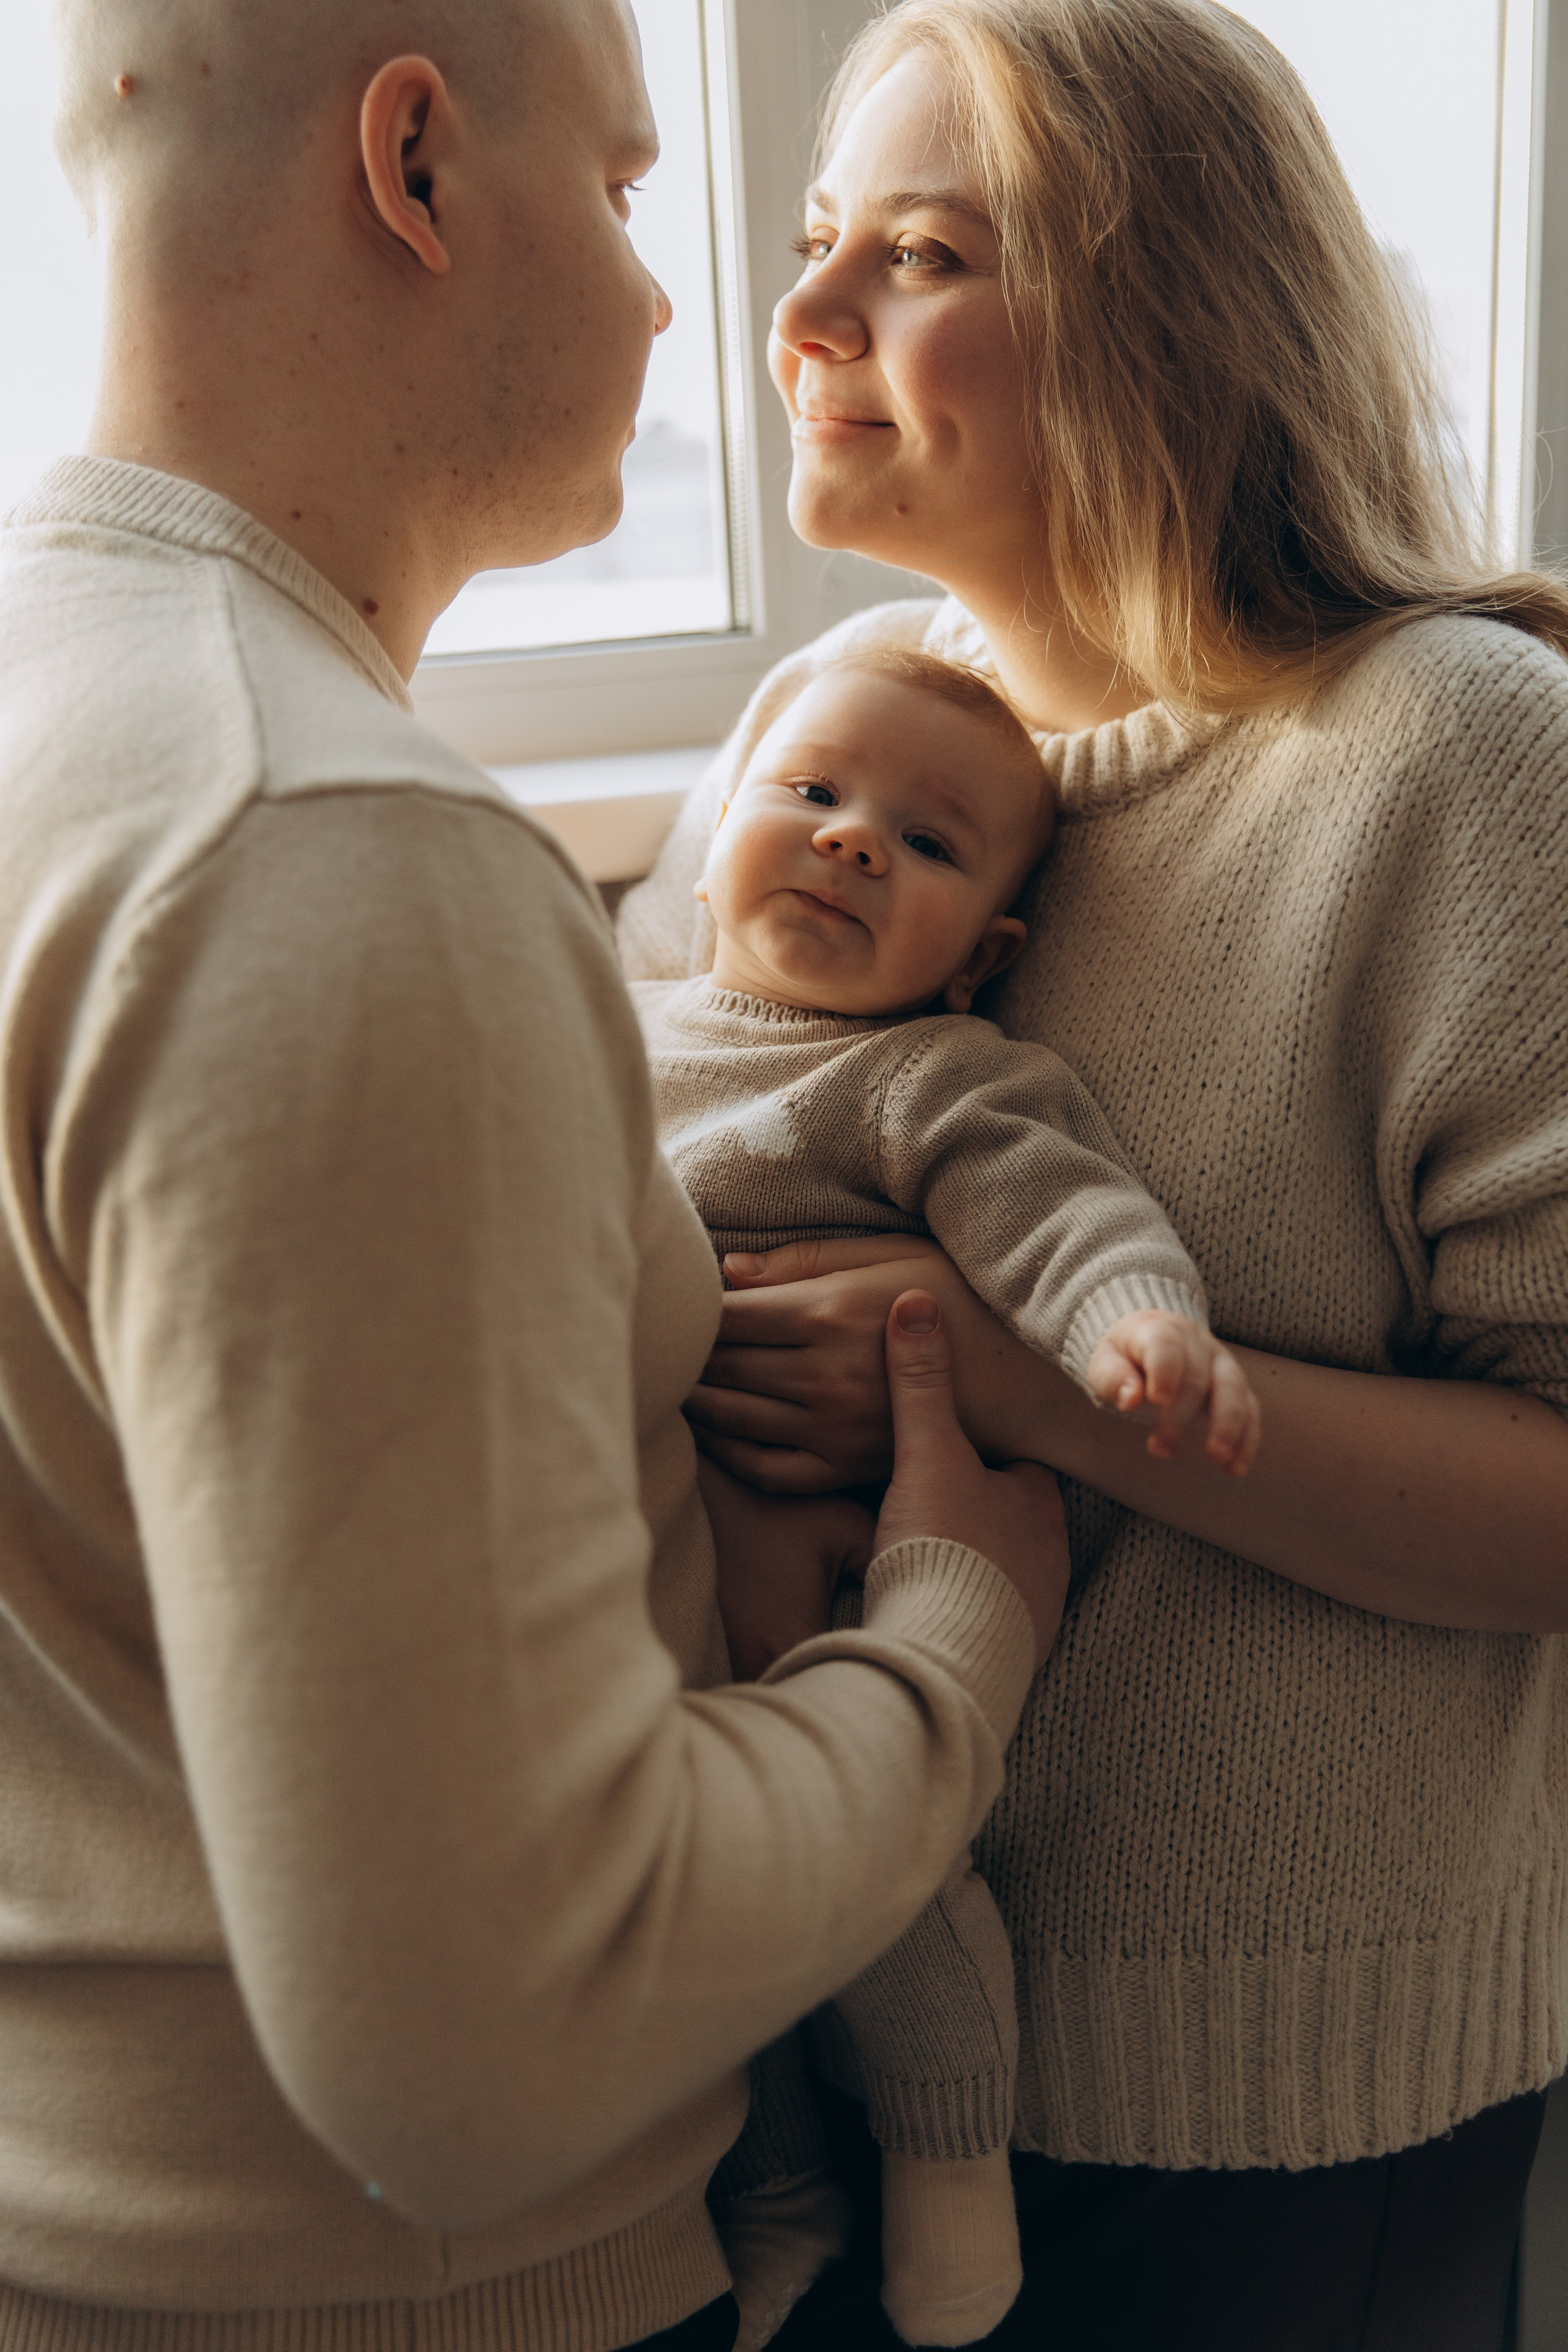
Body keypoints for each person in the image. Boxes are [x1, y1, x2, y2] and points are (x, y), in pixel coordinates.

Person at [0, 1, 1071, 2346]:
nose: (687, 306)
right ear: (413, 169)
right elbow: (483, 2042)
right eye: (621, 195)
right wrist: (954, 1645)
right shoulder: (324, 850)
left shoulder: (57, 711)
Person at [617, 2, 1568, 2345]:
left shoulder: (1457, 761)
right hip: (824, 2024)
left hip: (1273, 2098)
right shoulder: (855, 738)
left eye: (918, 253)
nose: (803, 314)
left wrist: (1004, 1391)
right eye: (820, 237)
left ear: (1172, 315)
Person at [633, 641, 1260, 2348]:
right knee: (697, 1970)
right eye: (815, 797)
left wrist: (1137, 1324)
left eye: (922, 843)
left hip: (823, 1610)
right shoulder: (615, 1035)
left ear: (982, 954)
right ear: (720, 830)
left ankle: (947, 2164)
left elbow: (1063, 1214)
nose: (849, 844)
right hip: (632, 1629)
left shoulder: (925, 1078)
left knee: (880, 1898)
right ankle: (774, 2195)